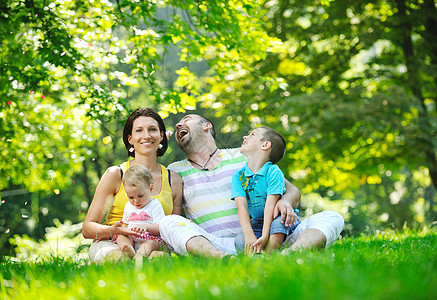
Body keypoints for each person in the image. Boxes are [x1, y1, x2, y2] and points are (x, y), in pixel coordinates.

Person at [159, 114, 344, 257]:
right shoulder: (174, 171)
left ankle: (288, 256)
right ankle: (219, 258)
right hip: (217, 244)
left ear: (207, 126)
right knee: (168, 222)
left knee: (332, 217)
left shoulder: (242, 156)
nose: (178, 125)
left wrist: (285, 201)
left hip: (268, 238)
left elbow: (292, 190)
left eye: (187, 120)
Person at [82, 108, 183, 261]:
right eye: (139, 130)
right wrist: (112, 230)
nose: (146, 135)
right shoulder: (116, 174)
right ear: (130, 139)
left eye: (152, 129)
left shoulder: (173, 180)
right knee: (120, 259)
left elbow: (174, 229)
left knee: (159, 261)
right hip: (114, 242)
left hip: (153, 244)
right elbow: (87, 228)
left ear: (161, 136)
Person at [232, 126, 301, 254]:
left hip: (279, 218)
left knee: (278, 223)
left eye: (252, 134)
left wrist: (264, 236)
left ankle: (269, 255)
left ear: (265, 145)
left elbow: (270, 205)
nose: (245, 137)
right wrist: (248, 235)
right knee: (240, 241)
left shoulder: (273, 172)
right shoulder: (238, 176)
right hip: (257, 222)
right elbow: (241, 207)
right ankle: (259, 254)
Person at [114, 165, 169, 259]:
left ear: (150, 188)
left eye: (140, 196)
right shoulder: (128, 206)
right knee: (121, 237)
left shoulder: (154, 205)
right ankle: (128, 249)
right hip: (133, 237)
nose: (136, 201)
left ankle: (140, 255)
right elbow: (126, 225)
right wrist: (123, 229)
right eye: (131, 197)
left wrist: (146, 227)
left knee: (149, 243)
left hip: (150, 237)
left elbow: (160, 227)